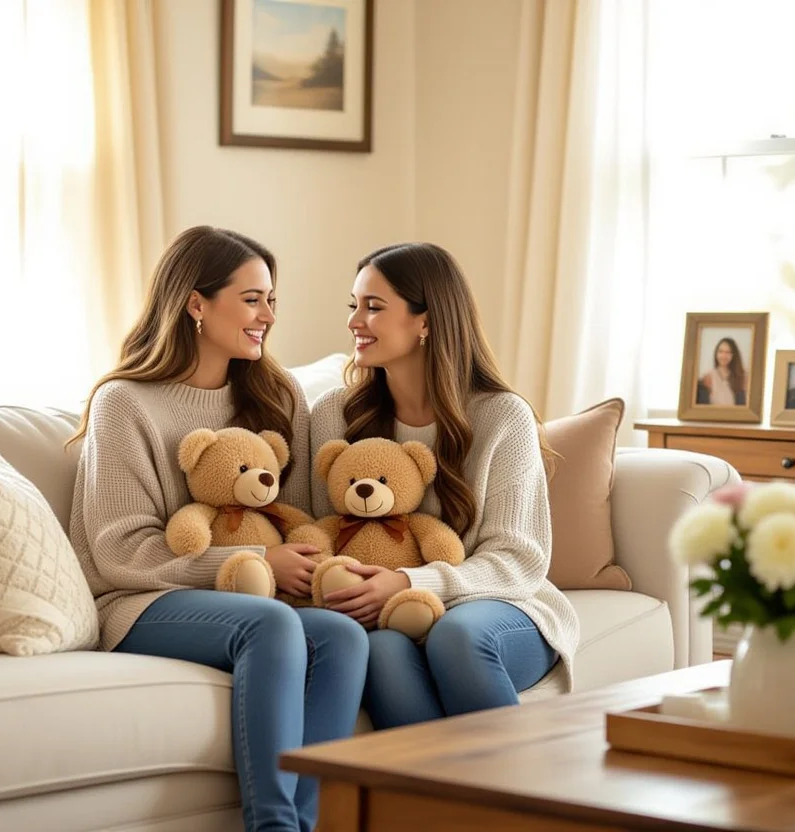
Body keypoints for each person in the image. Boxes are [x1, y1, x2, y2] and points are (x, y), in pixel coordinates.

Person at [67, 226, 369, 832]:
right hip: (140, 601)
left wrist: (312, 566)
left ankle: (309, 825)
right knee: (274, 624)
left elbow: (304, 520)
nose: (267, 315)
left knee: (342, 636)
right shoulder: (125, 402)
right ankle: (273, 826)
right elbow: (118, 551)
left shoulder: (277, 397)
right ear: (196, 303)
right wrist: (252, 561)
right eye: (252, 298)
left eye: (272, 300)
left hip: (259, 596)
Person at [309, 242, 579, 731]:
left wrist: (412, 582)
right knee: (382, 649)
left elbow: (518, 560)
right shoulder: (334, 414)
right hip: (386, 615)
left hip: (501, 607)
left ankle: (517, 804)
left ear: (426, 322)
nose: (354, 321)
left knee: (455, 636)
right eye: (354, 305)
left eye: (373, 307)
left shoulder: (500, 415)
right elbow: (320, 529)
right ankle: (441, 805)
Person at [695, 336, 748, 406]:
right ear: (716, 353)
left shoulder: (742, 376)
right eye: (720, 351)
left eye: (728, 352)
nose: (724, 356)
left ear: (734, 355)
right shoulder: (708, 376)